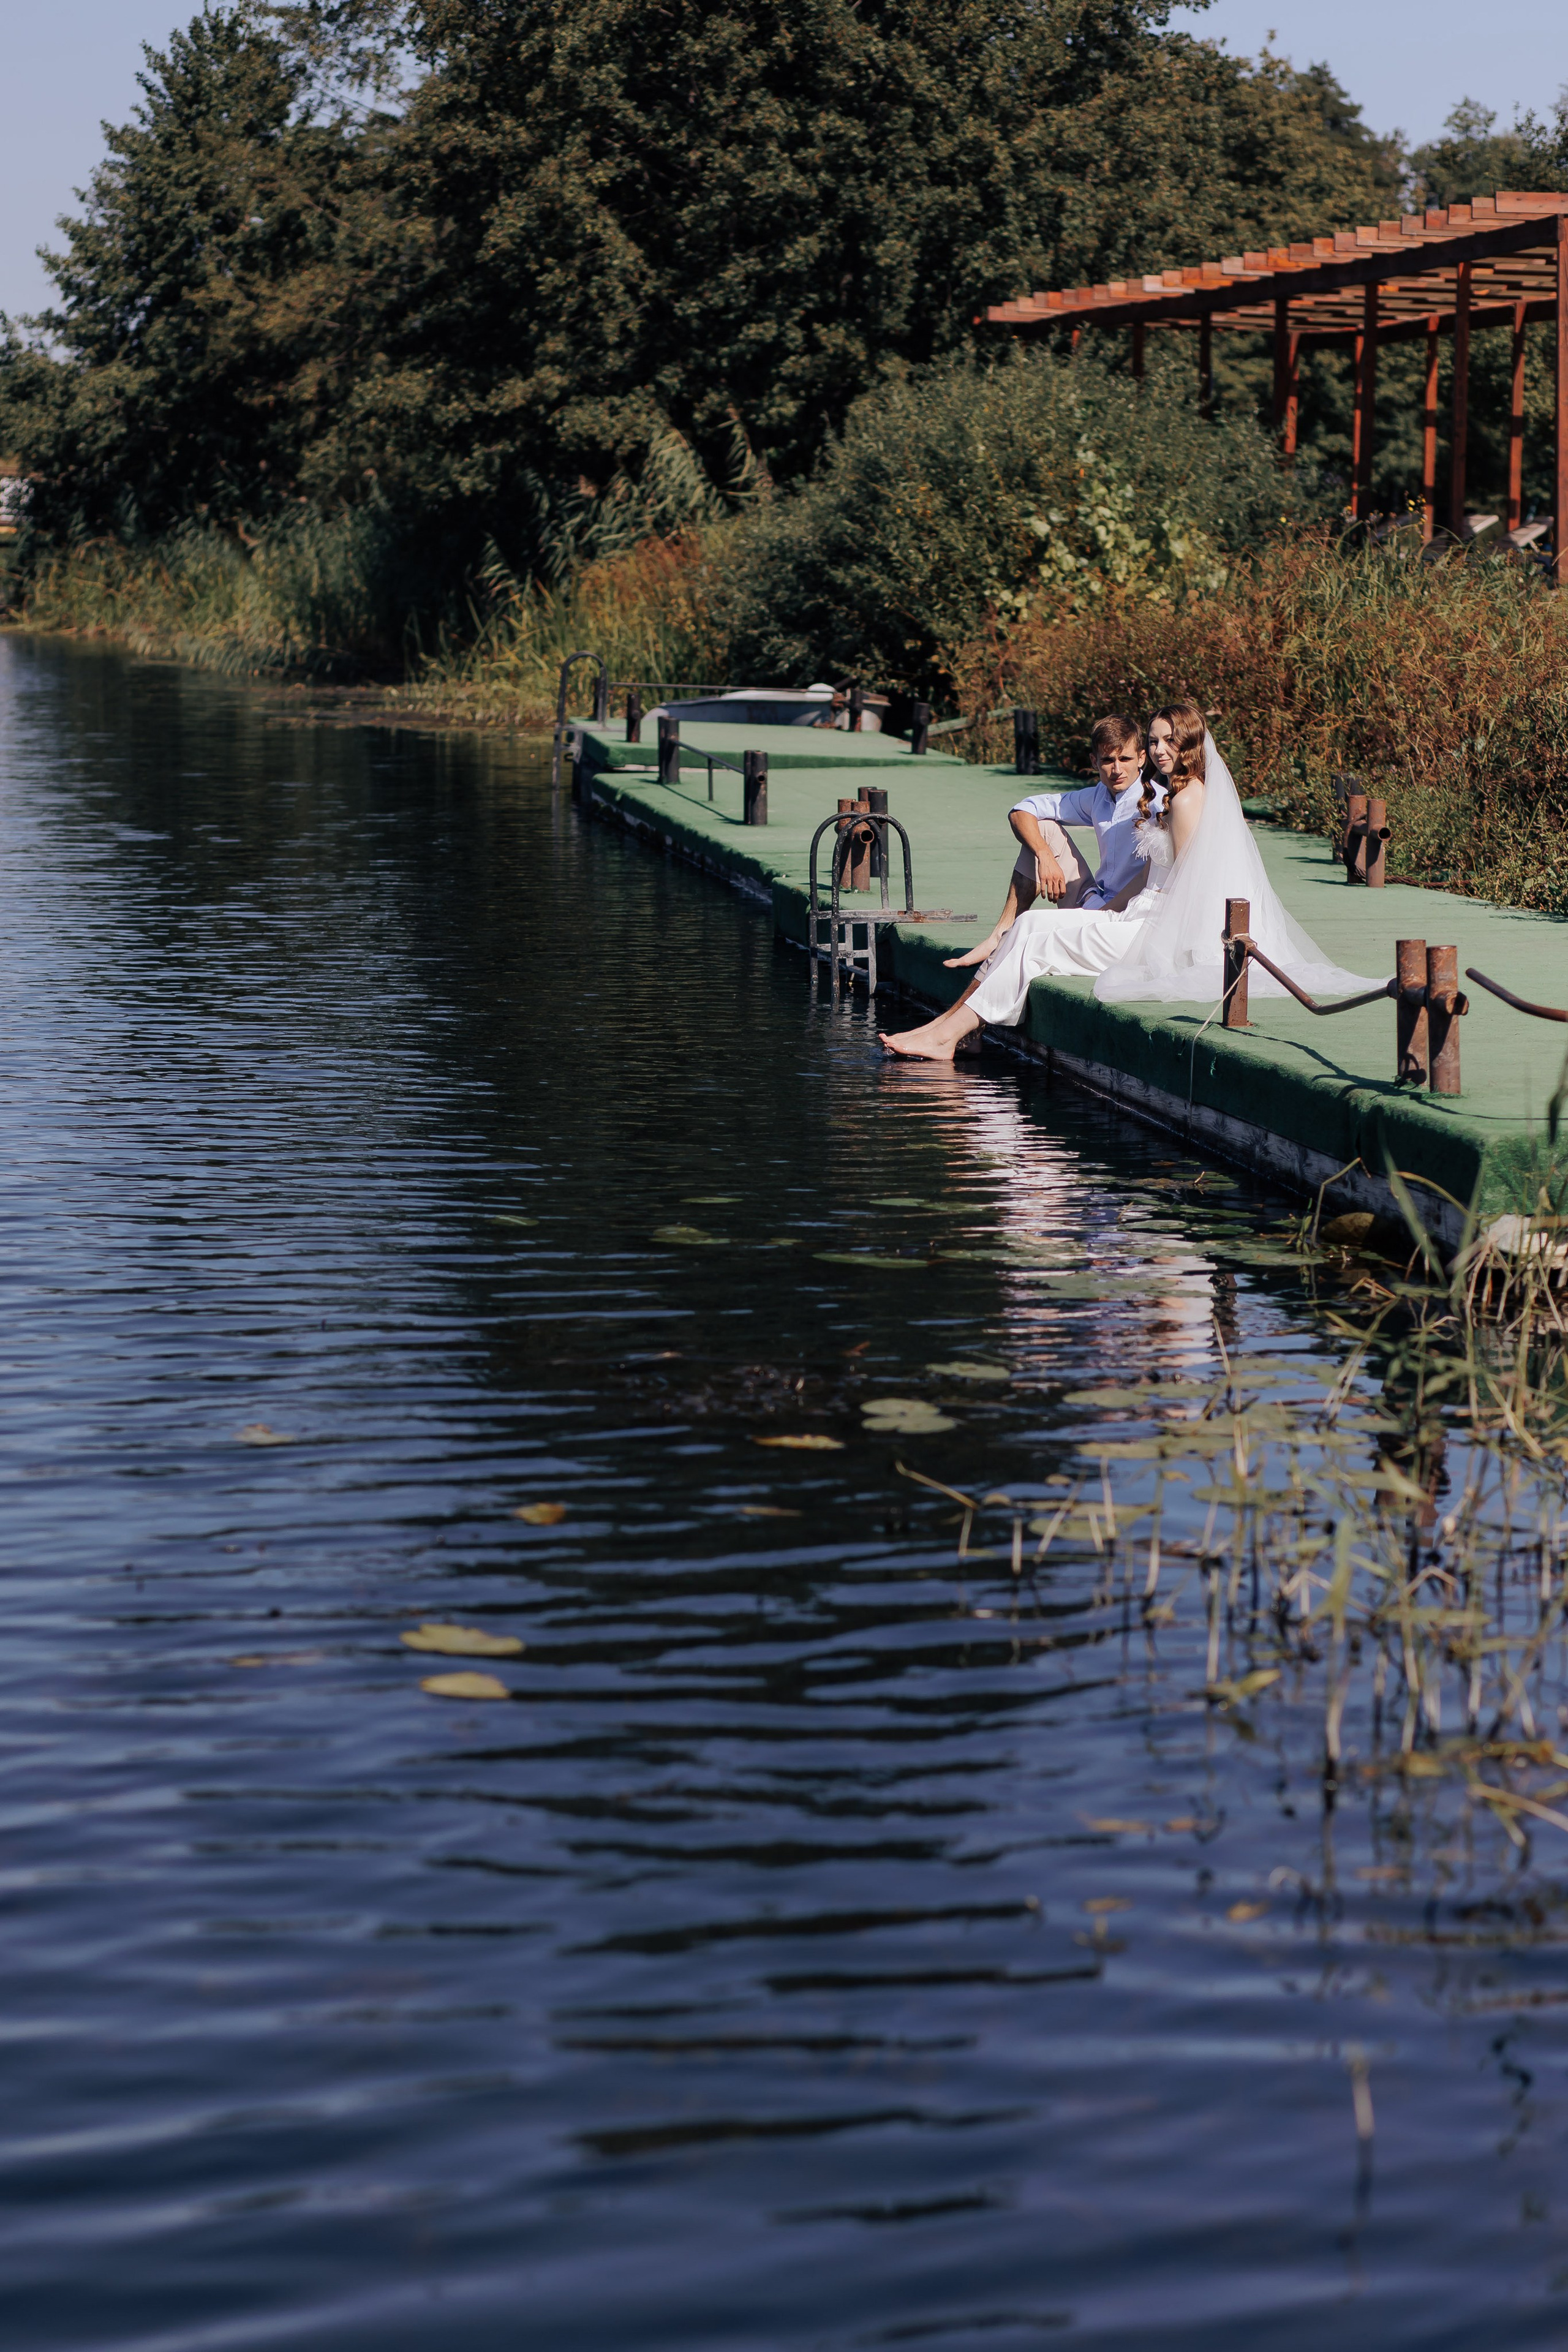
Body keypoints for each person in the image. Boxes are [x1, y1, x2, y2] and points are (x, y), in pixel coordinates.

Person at [878, 704, 1378, 1060]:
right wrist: (1113, 908)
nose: (1160, 750)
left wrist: (1126, 920)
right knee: (1031, 929)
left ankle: (950, 1032)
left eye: (1167, 741)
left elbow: (1184, 885)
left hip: (1157, 928)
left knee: (1032, 931)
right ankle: (947, 1030)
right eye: (1156, 740)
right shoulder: (1174, 795)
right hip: (1138, 914)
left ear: (1190, 745)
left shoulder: (1182, 800)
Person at [944, 712, 1164, 976]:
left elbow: (1157, 878)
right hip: (1093, 902)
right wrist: (1044, 856)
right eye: (1107, 760)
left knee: (1035, 931)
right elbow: (1021, 810)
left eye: (1125, 759)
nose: (1117, 770)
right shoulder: (1097, 796)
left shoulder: (1158, 803)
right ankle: (999, 936)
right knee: (1043, 829)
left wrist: (1105, 913)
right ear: (1094, 761)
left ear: (1141, 758)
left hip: (1125, 918)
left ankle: (1006, 948)